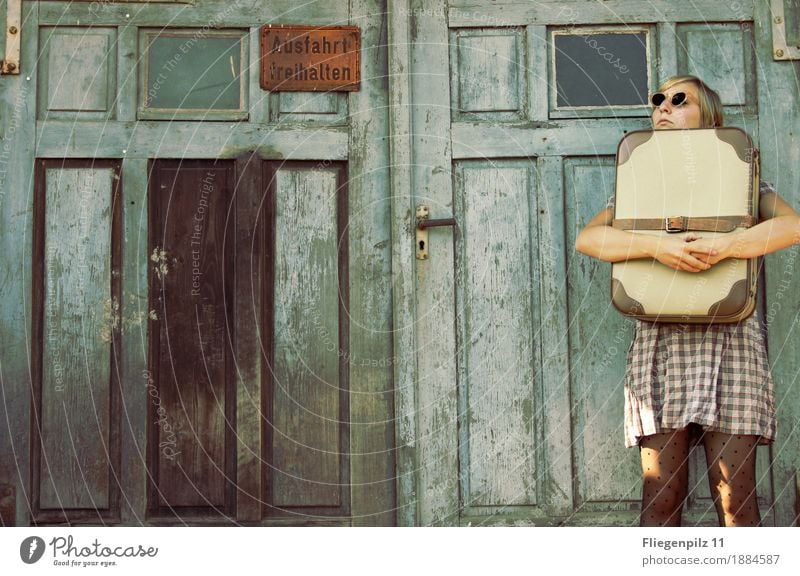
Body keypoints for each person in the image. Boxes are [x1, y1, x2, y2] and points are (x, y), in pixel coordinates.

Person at [575, 75, 800, 527]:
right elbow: (590, 239)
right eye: (658, 99)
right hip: (661, 346)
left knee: (736, 502)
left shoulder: (740, 175)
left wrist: (729, 246)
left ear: (708, 116)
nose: (663, 105)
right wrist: (658, 246)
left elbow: (792, 226)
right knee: (661, 496)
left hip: (733, 346)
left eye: (680, 100)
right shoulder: (641, 183)